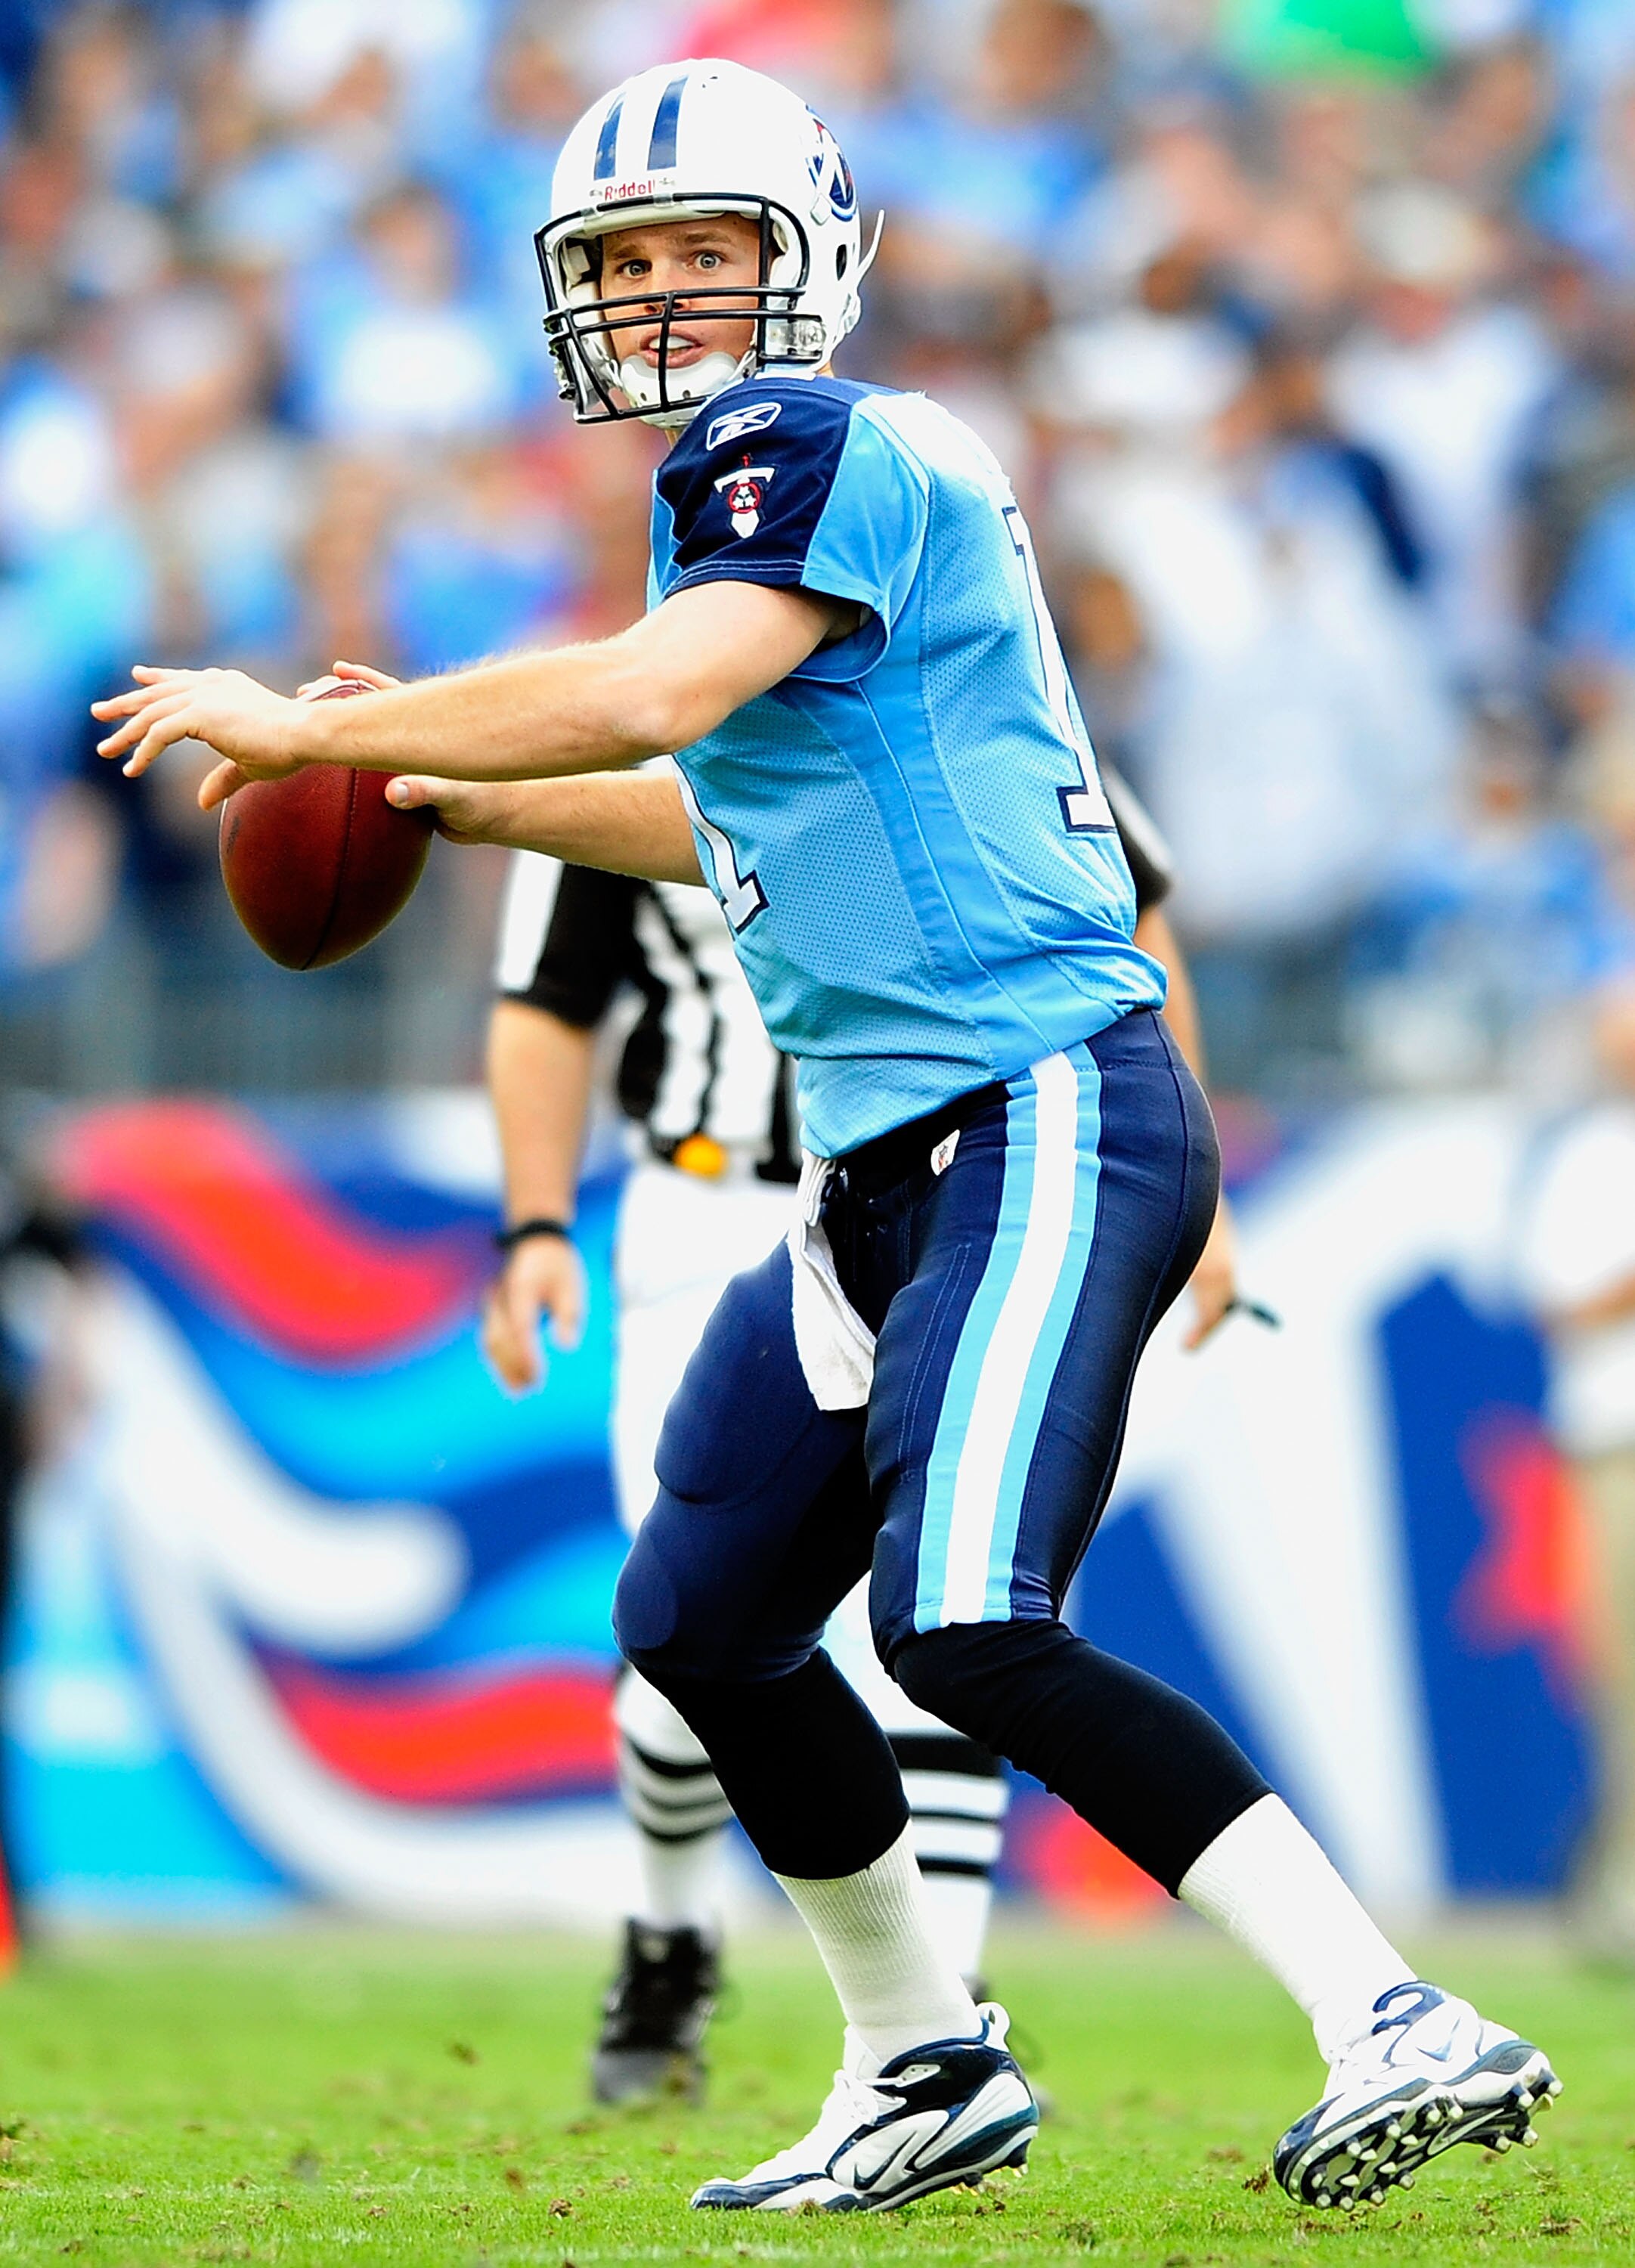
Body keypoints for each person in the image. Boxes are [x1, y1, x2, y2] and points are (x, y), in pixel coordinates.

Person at [94, 57, 1559, 2218]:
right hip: (885, 1162)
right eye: (630, 261)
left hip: (1042, 1100)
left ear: (819, 261)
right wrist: (451, 796)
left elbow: (647, 697)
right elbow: (710, 807)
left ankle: (1392, 2017)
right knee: (696, 1616)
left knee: (962, 1619)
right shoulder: (749, 500)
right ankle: (919, 2062)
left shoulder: (833, 441)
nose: (671, 295)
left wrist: (322, 726)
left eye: (710, 250)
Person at [482, 754, 1231, 2103]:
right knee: (684, 1636)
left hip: (952, 1192)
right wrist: (535, 1223)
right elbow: (546, 1004)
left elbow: (1130, 911)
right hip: (714, 1206)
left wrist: (1203, 1185)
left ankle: (941, 2011)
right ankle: (670, 1933)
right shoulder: (604, 737)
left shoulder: (956, 686)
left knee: (949, 1608)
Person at [1514, 981, 1635, 1969]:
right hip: (1617, 1446)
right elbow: (1567, 1302)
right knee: (1625, 1679)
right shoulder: (1591, 1157)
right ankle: (1622, 1896)